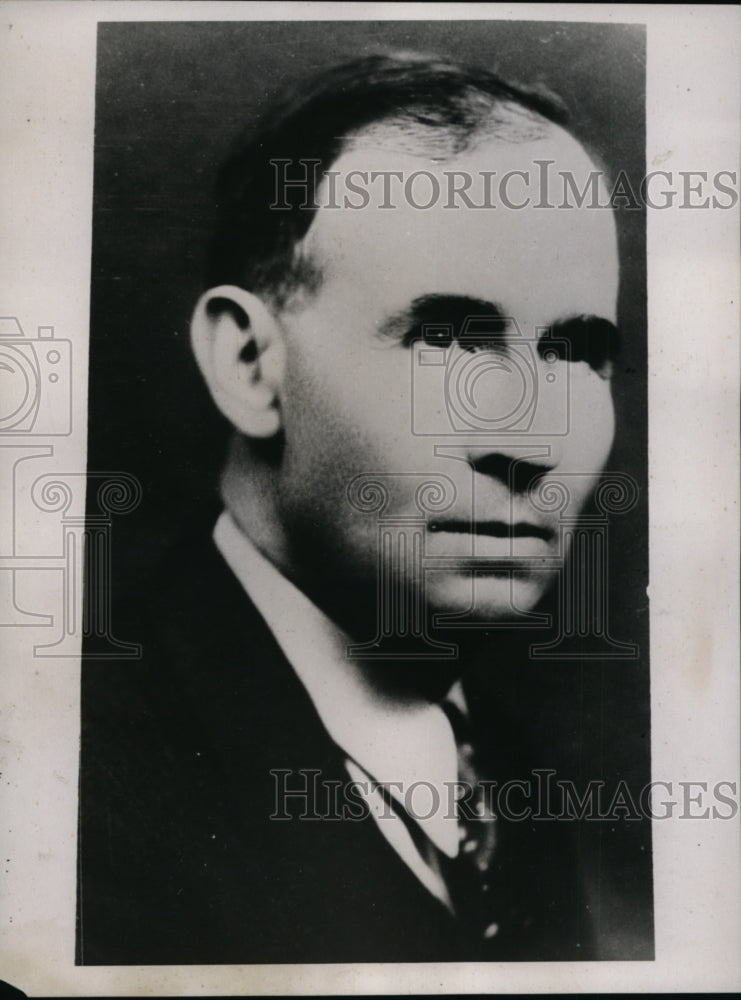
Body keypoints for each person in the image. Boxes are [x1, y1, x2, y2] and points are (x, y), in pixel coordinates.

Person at [78, 51, 635, 964]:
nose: (531, 441)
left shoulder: (514, 773)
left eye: (576, 352)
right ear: (249, 365)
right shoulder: (77, 778)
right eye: (446, 340)